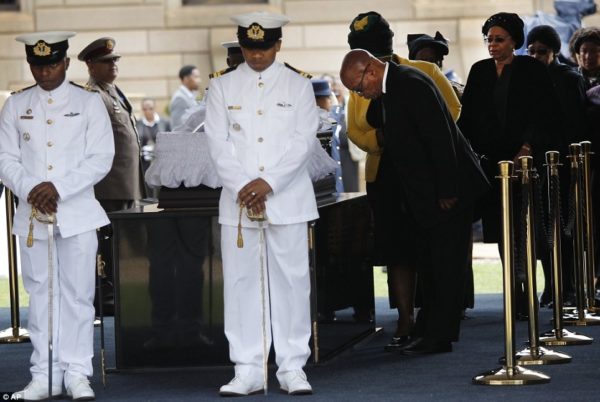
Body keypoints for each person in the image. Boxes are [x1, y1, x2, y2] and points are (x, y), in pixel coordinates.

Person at [340, 49, 488, 354]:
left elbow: (440, 137)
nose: (360, 94)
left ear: (370, 71)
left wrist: (447, 190)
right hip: (426, 194)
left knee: (446, 267)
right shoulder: (390, 88)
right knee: (431, 266)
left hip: (447, 191)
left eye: (357, 87)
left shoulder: (410, 83)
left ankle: (439, 336)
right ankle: (428, 330)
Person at [205, 11, 318, 396]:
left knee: (291, 282)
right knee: (240, 284)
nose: (256, 56)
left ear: (278, 45)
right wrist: (243, 185)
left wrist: (267, 182)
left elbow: (304, 141)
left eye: (264, 47)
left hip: (287, 197)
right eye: (250, 48)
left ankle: (292, 366)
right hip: (238, 201)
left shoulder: (298, 84)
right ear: (241, 46)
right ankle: (247, 367)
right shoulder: (221, 86)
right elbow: (217, 144)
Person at [0, 31, 114, 400]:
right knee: (42, 294)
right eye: (37, 64)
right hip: (34, 215)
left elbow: (100, 158)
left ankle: (77, 373)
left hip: (77, 213)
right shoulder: (16, 105)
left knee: (78, 296)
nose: (44, 72)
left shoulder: (89, 103)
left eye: (51, 64)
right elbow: (5, 158)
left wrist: (58, 188)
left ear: (65, 62)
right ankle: (43, 375)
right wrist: (33, 188)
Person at [458, 12, 560, 316]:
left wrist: (528, 147)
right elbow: (469, 119)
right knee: (503, 230)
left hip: (527, 165)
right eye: (488, 39)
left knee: (528, 228)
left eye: (499, 39)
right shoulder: (479, 71)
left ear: (514, 41)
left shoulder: (531, 69)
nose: (492, 45)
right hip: (492, 166)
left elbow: (546, 113)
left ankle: (538, 285)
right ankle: (515, 288)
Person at [78, 37, 145, 317]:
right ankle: (105, 296)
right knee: (108, 246)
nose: (113, 65)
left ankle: (118, 292)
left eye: (115, 60)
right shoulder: (93, 95)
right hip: (108, 187)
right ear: (91, 65)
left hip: (125, 184)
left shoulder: (112, 91)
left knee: (123, 247)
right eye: (106, 62)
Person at [526, 24, 588, 306]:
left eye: (542, 51)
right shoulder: (526, 78)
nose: (536, 56)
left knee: (565, 228)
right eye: (532, 51)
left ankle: (569, 285)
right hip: (537, 163)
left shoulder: (567, 77)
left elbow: (574, 123)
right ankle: (552, 284)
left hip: (563, 163)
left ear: (554, 52)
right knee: (542, 232)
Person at [406, 31, 464, 98]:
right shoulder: (404, 91)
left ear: (440, 63)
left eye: (432, 61)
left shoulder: (455, 91)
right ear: (413, 64)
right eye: (423, 61)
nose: (429, 65)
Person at [136, 97, 171, 173]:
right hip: (144, 164)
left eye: (150, 108)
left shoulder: (165, 123)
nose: (148, 111)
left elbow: (171, 142)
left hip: (162, 163)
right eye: (145, 109)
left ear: (155, 108)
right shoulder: (137, 124)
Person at [170, 65, 201, 130]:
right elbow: (178, 127)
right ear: (186, 79)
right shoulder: (179, 99)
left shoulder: (193, 95)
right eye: (196, 77)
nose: (199, 80)